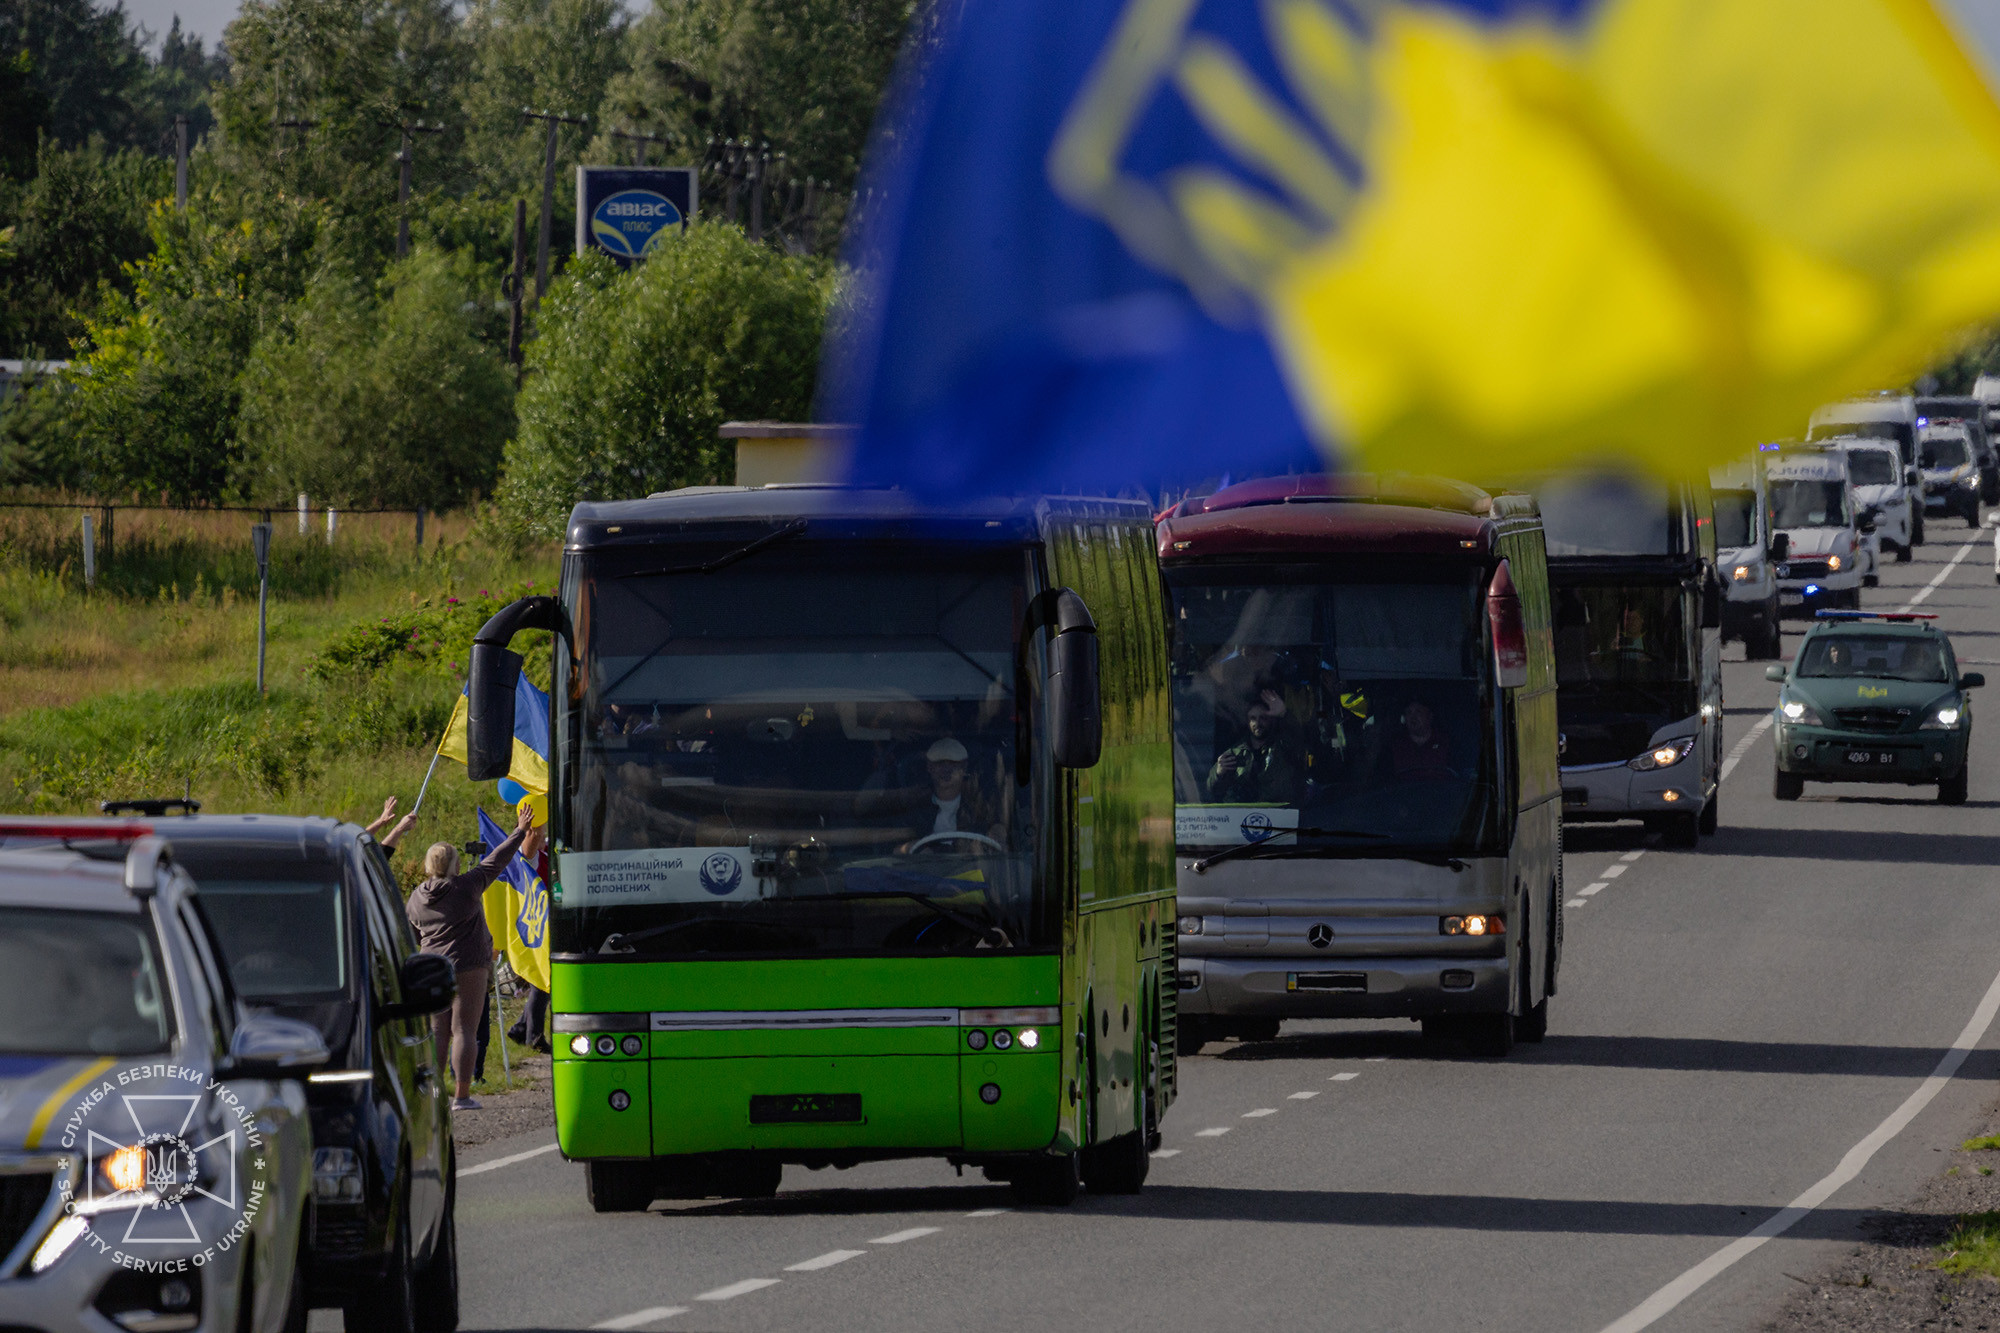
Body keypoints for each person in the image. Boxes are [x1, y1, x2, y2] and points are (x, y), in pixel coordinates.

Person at [406, 804, 540, 1109]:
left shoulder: (416, 897)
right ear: (455, 864)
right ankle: (462, 1095)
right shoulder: (466, 886)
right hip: (469, 965)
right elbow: (497, 859)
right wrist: (520, 831)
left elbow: (412, 934)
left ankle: (434, 1097)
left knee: (437, 1032)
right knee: (464, 1030)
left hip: (431, 967)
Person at [896, 737, 1003, 849]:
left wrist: (997, 834)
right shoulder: (915, 808)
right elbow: (896, 848)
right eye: (940, 764)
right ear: (929, 767)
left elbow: (998, 833)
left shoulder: (980, 808)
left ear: (964, 767)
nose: (946, 770)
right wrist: (912, 848)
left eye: (953, 764)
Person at [1208, 688, 1304, 803]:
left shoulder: (1284, 748)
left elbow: (1301, 738)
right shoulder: (1235, 753)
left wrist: (1285, 713)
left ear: (1271, 720)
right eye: (1253, 718)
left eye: (1263, 718)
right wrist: (1218, 774)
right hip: (1241, 812)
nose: (1257, 723)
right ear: (1247, 721)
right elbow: (1213, 789)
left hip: (1278, 811)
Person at [1390, 700, 1456, 781]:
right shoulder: (1395, 745)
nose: (1413, 717)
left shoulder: (1446, 742)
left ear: (1430, 716)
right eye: (1409, 712)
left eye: (1418, 712)